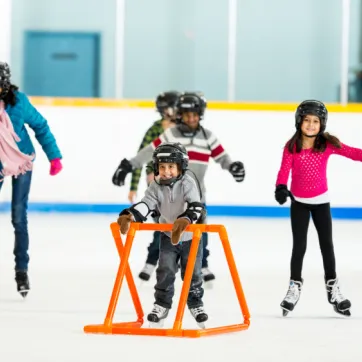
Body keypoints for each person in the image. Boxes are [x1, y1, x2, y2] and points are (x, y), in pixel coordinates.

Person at [112, 92, 245, 284]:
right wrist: (129, 165)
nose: (191, 118)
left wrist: (232, 167)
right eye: (186, 114)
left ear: (201, 114)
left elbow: (222, 157)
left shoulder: (208, 137)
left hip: (197, 196)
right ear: (180, 114)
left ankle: (202, 263)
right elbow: (149, 151)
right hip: (170, 196)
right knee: (165, 228)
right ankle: (159, 261)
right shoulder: (171, 134)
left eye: (194, 114)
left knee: (200, 230)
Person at [275, 99, 362, 317]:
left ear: (322, 123)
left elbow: (352, 153)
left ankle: (333, 289)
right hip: (299, 204)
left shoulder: (327, 144)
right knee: (299, 247)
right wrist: (280, 187)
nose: (311, 125)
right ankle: (294, 286)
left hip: (321, 203)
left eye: (316, 121)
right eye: (307, 121)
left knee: (327, 246)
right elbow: (284, 170)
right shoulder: (291, 146)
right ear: (299, 122)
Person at [117, 142, 208, 328]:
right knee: (165, 271)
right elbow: (146, 204)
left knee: (193, 273)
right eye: (162, 167)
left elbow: (196, 206)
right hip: (168, 235)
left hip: (192, 238)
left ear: (180, 167)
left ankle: (196, 304)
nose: (166, 171)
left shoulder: (188, 182)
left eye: (171, 167)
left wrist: (185, 221)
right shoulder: (155, 186)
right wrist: (130, 215)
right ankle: (161, 304)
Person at [0, 62, 63, 298]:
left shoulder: (19, 102)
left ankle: (21, 270)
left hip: (21, 162)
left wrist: (54, 157)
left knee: (18, 215)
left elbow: (41, 126)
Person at [127, 91, 180, 282]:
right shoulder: (155, 130)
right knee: (162, 226)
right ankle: (151, 262)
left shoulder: (184, 130)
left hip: (181, 188)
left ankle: (185, 264)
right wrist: (133, 186)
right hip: (157, 187)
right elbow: (140, 157)